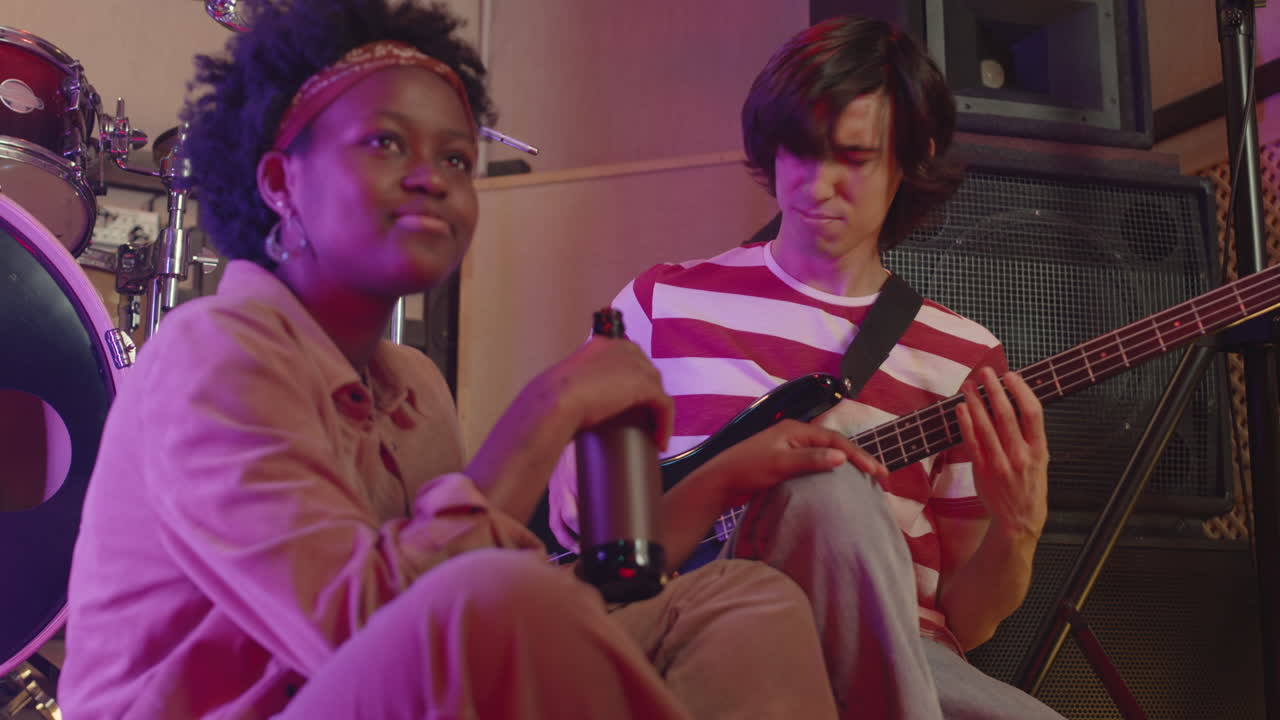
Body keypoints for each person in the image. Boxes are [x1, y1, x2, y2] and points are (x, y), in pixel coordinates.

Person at [57, 1, 889, 718]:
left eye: (456, 159)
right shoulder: (211, 357)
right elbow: (380, 624)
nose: (432, 178)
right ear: (280, 181)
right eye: (386, 143)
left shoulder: (413, 386)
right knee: (497, 601)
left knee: (737, 604)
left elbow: (529, 600)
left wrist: (717, 486)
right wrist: (548, 408)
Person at [549, 16, 1066, 720]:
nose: (816, 186)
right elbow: (583, 518)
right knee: (828, 489)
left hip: (903, 658)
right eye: (800, 150)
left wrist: (1018, 529)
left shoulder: (963, 356)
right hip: (703, 637)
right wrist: (574, 472)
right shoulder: (661, 302)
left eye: (852, 158)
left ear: (915, 155)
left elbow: (967, 622)